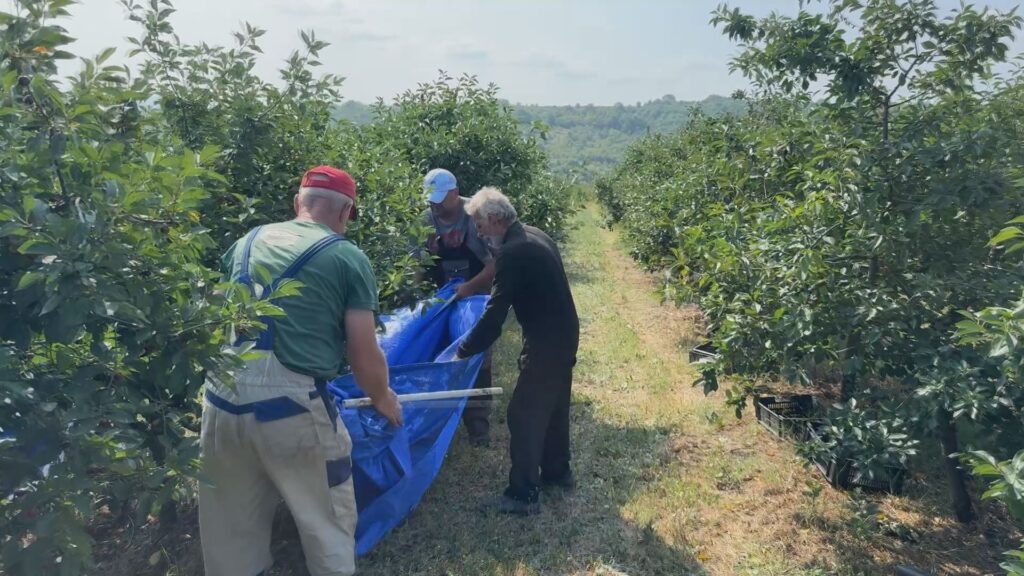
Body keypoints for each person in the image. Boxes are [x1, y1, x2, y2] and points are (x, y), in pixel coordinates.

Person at [199, 166, 403, 576]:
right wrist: (384, 399)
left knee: (230, 535)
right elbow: (364, 353)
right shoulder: (346, 257)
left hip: (220, 402)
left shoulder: (247, 241)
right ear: (346, 212)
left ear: (298, 204)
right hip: (289, 409)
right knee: (326, 524)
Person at [455, 186, 580, 516]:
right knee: (553, 407)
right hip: (563, 333)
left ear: (495, 219)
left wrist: (462, 351)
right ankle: (557, 474)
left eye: (481, 227)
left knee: (523, 414)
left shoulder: (512, 252)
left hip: (547, 341)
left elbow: (495, 314)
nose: (480, 235)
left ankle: (522, 495)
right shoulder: (535, 234)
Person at [419, 168, 496, 446]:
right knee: (439, 356)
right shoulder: (426, 220)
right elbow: (416, 266)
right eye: (431, 200)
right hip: (442, 299)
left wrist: (468, 289)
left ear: (455, 192)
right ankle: (436, 425)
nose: (435, 205)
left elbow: (494, 265)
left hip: (475, 298)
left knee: (476, 357)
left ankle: (478, 429)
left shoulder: (475, 217)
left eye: (440, 198)